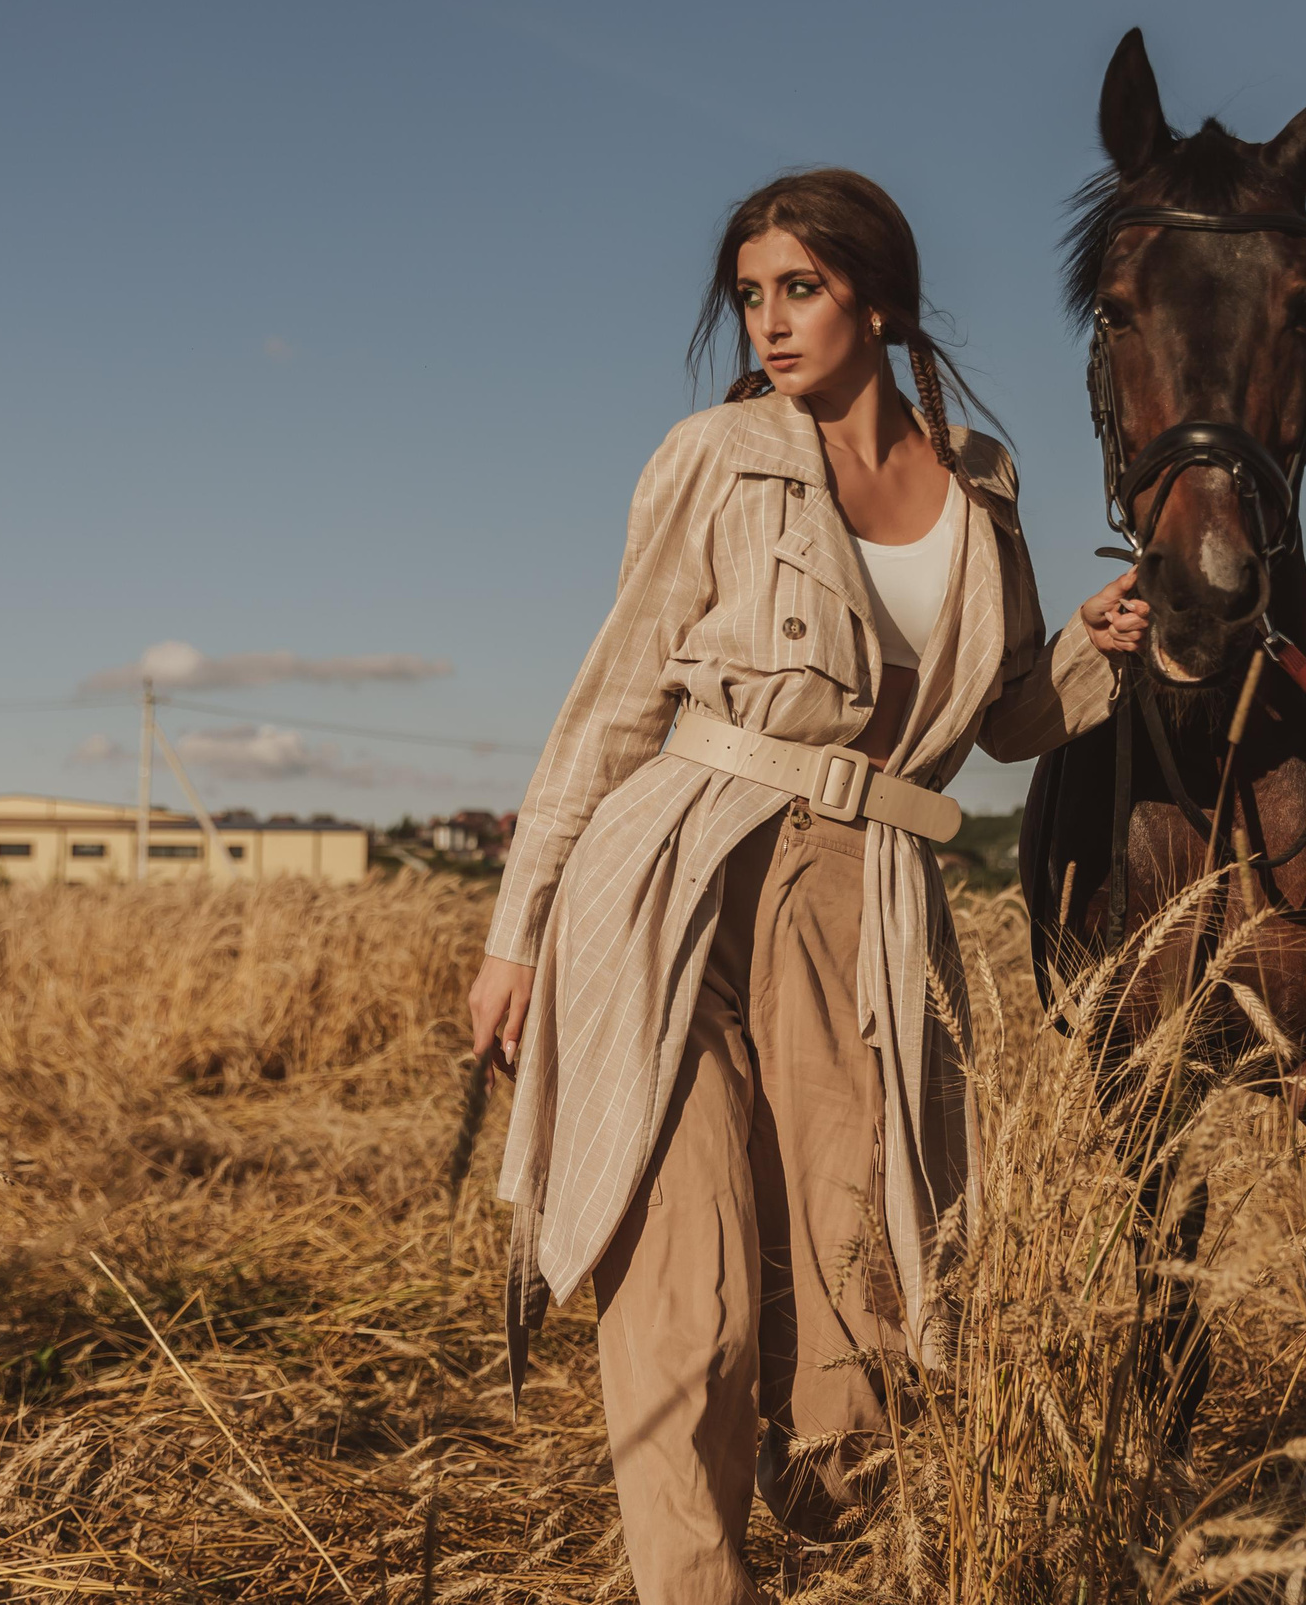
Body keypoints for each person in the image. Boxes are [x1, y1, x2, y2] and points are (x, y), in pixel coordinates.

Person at [467, 168, 1146, 1604]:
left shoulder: (981, 488)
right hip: (674, 875)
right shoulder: (716, 456)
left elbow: (1014, 719)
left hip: (871, 899)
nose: (769, 323)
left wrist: (1095, 642)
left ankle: (839, 1543)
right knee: (687, 1298)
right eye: (752, 295)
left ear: (877, 298)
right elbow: (611, 704)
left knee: (860, 1310)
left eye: (801, 289)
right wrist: (518, 932)